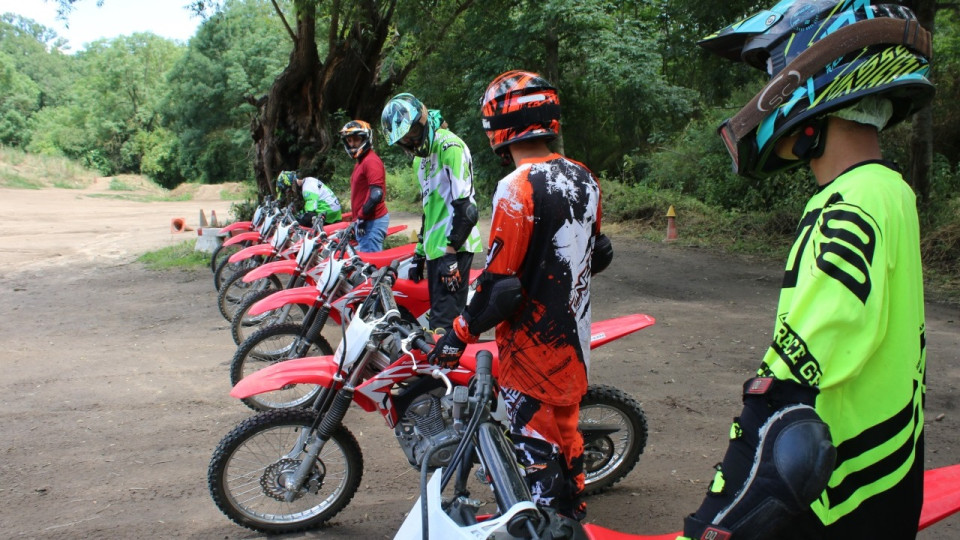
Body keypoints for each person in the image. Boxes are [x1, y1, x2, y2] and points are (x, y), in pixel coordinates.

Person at [680, 2, 934, 539]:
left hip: (832, 497)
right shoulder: (892, 191)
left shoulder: (848, 204)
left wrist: (707, 525)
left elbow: (785, 398)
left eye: (778, 76)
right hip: (887, 485)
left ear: (815, 82)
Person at [426, 70, 614, 521]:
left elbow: (500, 285)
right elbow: (598, 252)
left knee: (536, 453)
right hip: (574, 342)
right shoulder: (584, 176)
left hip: (531, 351)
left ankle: (549, 526)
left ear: (499, 128)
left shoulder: (517, 188)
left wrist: (457, 334)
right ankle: (572, 514)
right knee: (566, 437)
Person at [380, 93, 483, 331]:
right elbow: (429, 209)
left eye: (413, 134)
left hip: (455, 246)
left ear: (423, 121)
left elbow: (467, 210)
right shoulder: (420, 160)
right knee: (435, 317)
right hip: (435, 248)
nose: (412, 143)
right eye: (405, 140)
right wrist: (418, 253)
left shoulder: (450, 146)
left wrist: (450, 254)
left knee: (444, 326)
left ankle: (452, 367)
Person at [339, 120, 389, 252]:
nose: (352, 144)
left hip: (371, 221)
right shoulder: (361, 162)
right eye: (349, 140)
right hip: (365, 221)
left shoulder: (371, 161)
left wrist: (361, 217)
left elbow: (376, 194)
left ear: (365, 139)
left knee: (370, 266)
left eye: (356, 139)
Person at [276, 170, 342, 227]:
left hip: (330, 214)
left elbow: (310, 214)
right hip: (332, 211)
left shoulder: (307, 189)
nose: (291, 193)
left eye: (289, 190)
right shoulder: (308, 180)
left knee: (301, 225)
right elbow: (308, 209)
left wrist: (295, 223)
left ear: (292, 184)